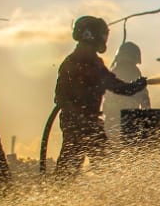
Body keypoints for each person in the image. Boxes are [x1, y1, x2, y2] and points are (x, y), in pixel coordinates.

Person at [53, 16, 147, 176]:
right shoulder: (86, 63)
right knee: (102, 168)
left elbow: (113, 84)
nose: (105, 40)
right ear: (91, 35)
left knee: (73, 170)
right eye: (103, 35)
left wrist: (134, 87)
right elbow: (115, 85)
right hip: (81, 124)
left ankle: (59, 196)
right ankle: (57, 197)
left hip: (84, 122)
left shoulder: (80, 61)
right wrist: (134, 86)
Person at [104, 40, 152, 143]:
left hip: (112, 119)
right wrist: (147, 116)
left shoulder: (113, 71)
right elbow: (143, 97)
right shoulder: (133, 71)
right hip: (128, 120)